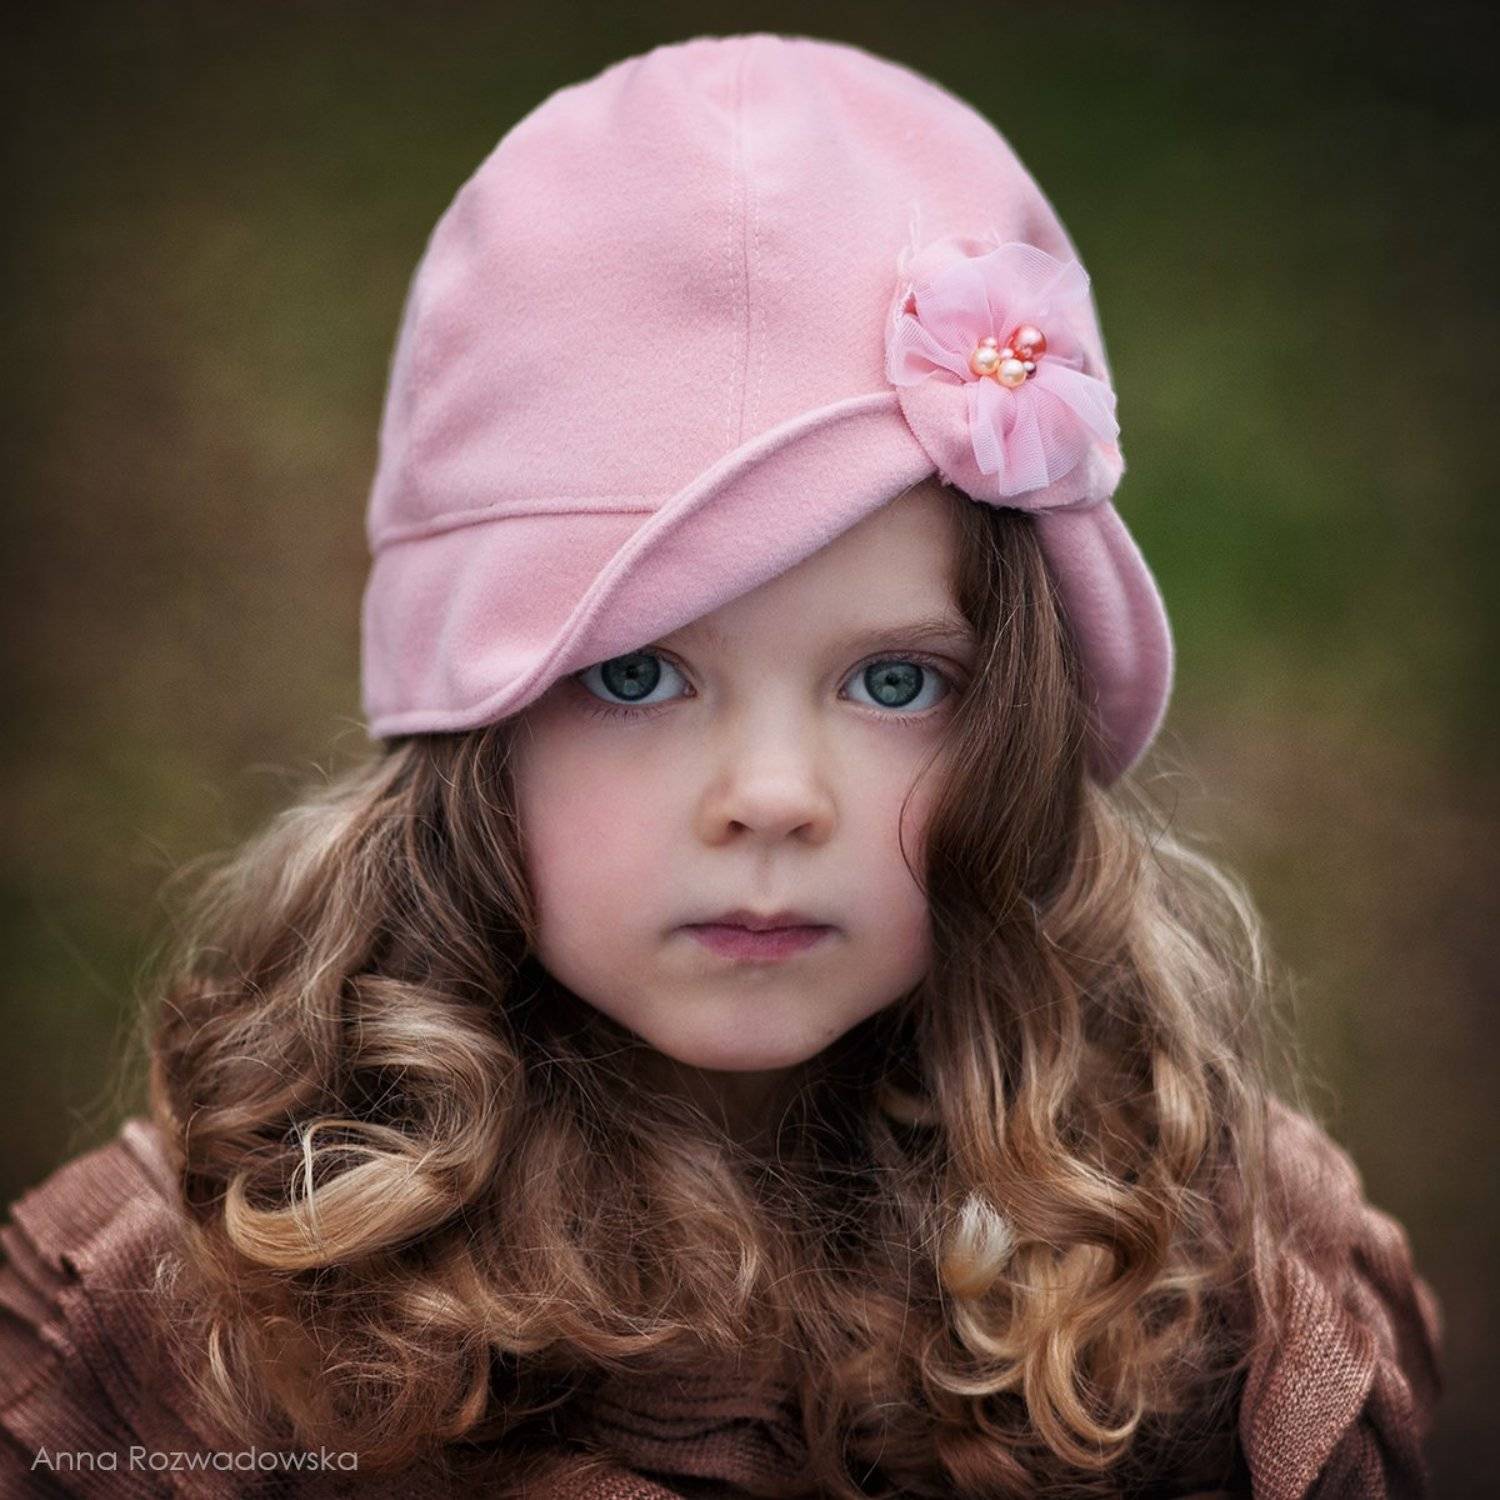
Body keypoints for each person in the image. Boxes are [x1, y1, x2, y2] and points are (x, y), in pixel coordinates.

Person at [0, 32, 1441, 1499]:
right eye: (636, 674)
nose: (773, 794)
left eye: (896, 681)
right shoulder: (202, 1311)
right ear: (471, 738)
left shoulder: (1208, 1279)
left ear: (1017, 723)